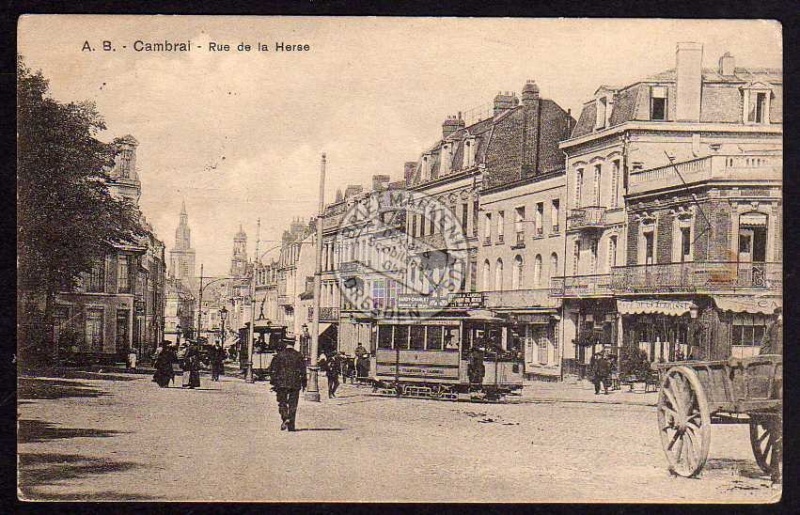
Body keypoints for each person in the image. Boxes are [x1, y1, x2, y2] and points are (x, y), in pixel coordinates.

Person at [267, 340, 307, 431]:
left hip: (281, 383)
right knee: (293, 404)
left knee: (282, 402)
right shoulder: (299, 355)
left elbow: (272, 370)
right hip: (295, 383)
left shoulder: (279, 355)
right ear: (293, 344)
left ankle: (285, 417)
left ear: (285, 344)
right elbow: (303, 371)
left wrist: (273, 382)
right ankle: (291, 426)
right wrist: (304, 383)